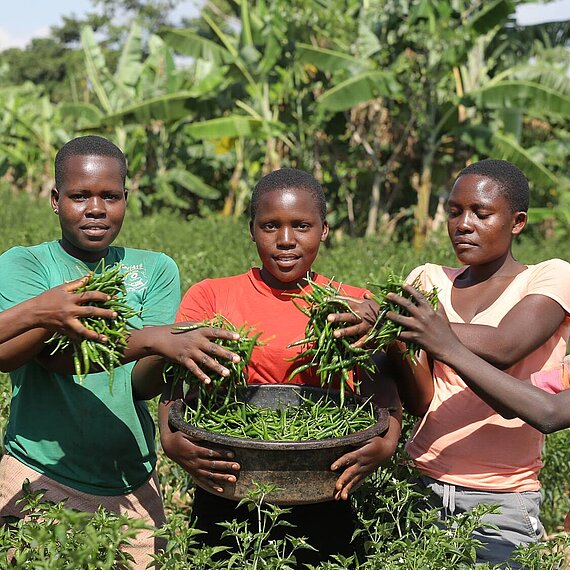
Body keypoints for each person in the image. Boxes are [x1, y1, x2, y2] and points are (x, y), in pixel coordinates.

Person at [138, 168, 402, 566]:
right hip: (227, 482)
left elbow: (383, 392)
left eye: (302, 226)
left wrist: (386, 442)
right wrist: (170, 438)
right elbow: (179, 379)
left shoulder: (349, 304)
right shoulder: (212, 296)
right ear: (251, 229)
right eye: (270, 226)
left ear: (325, 230)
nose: (285, 240)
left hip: (324, 485)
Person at [0, 135, 241, 569]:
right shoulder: (26, 264)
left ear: (126, 199)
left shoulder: (155, 269)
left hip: (130, 483)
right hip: (38, 475)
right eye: (79, 196)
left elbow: (140, 383)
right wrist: (149, 337)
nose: (96, 208)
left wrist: (176, 354)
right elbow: (43, 358)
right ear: (55, 200)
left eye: (110, 196)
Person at [328, 159, 570, 567]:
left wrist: (407, 325)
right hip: (418, 487)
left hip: (500, 504)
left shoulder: (549, 276)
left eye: (481, 212)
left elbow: (507, 345)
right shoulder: (428, 279)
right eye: (454, 211)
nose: (463, 224)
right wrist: (388, 341)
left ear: (517, 222)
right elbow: (423, 398)